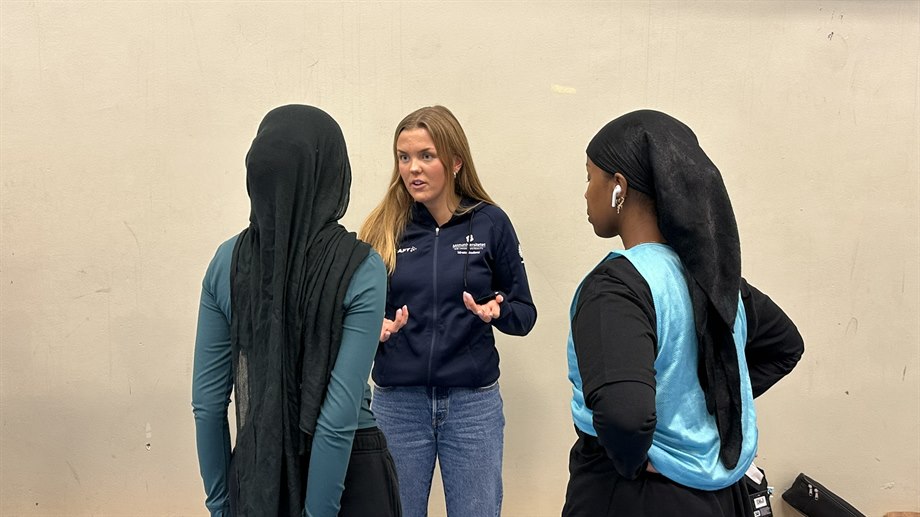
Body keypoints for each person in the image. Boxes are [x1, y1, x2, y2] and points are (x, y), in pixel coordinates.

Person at [564, 110, 805, 516]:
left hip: (635, 497)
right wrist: (710, 405)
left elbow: (625, 416)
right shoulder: (718, 283)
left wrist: (633, 464)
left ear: (618, 188)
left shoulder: (616, 287)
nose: (586, 192)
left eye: (590, 177)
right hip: (722, 499)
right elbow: (786, 346)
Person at [192, 105, 401, 517]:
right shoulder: (359, 267)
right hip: (350, 478)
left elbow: (209, 403)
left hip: (258, 477)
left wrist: (220, 506)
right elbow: (337, 417)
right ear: (333, 174)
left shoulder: (226, 262)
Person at [359, 105, 537, 516]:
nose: (412, 169)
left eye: (426, 155)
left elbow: (525, 314)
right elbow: (357, 317)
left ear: (455, 161)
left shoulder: (491, 223)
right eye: (404, 157)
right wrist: (376, 328)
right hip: (398, 405)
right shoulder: (382, 228)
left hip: (472, 405)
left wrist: (499, 311)